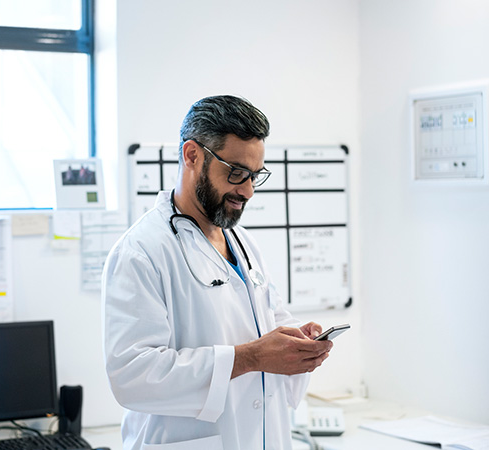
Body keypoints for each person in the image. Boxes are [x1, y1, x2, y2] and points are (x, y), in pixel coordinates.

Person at [102, 95, 333, 450]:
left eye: (255, 176)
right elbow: (132, 376)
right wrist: (250, 357)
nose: (248, 191)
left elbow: (267, 321)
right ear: (192, 155)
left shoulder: (243, 243)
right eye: (237, 173)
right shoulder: (142, 252)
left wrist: (297, 342)